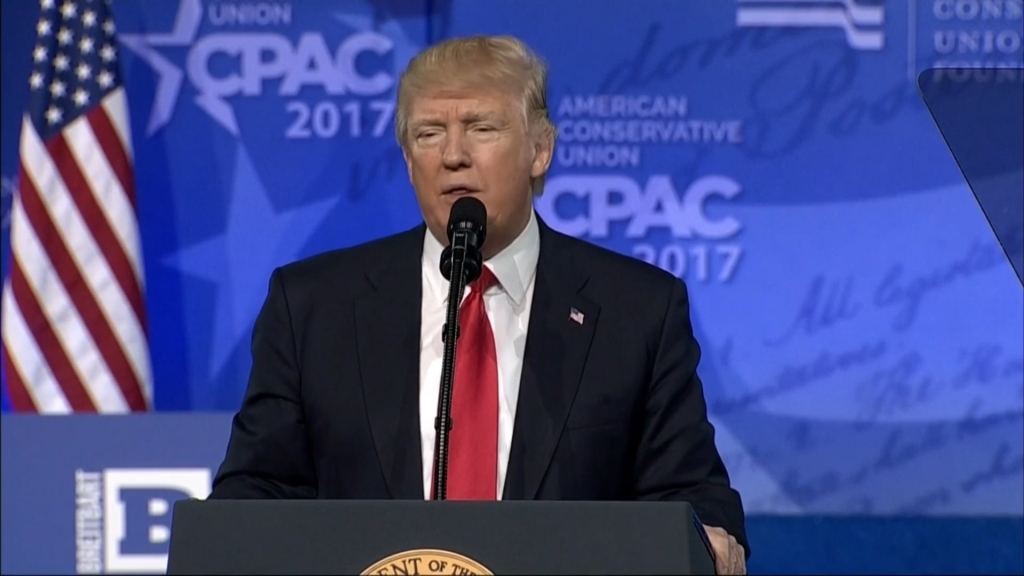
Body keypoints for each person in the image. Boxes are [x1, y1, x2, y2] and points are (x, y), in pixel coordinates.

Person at [208, 34, 748, 574]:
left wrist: (706, 538)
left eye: (482, 128)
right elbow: (253, 495)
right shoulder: (312, 307)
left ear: (541, 150)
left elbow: (691, 498)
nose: (453, 155)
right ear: (407, 157)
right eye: (428, 133)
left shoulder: (637, 311)